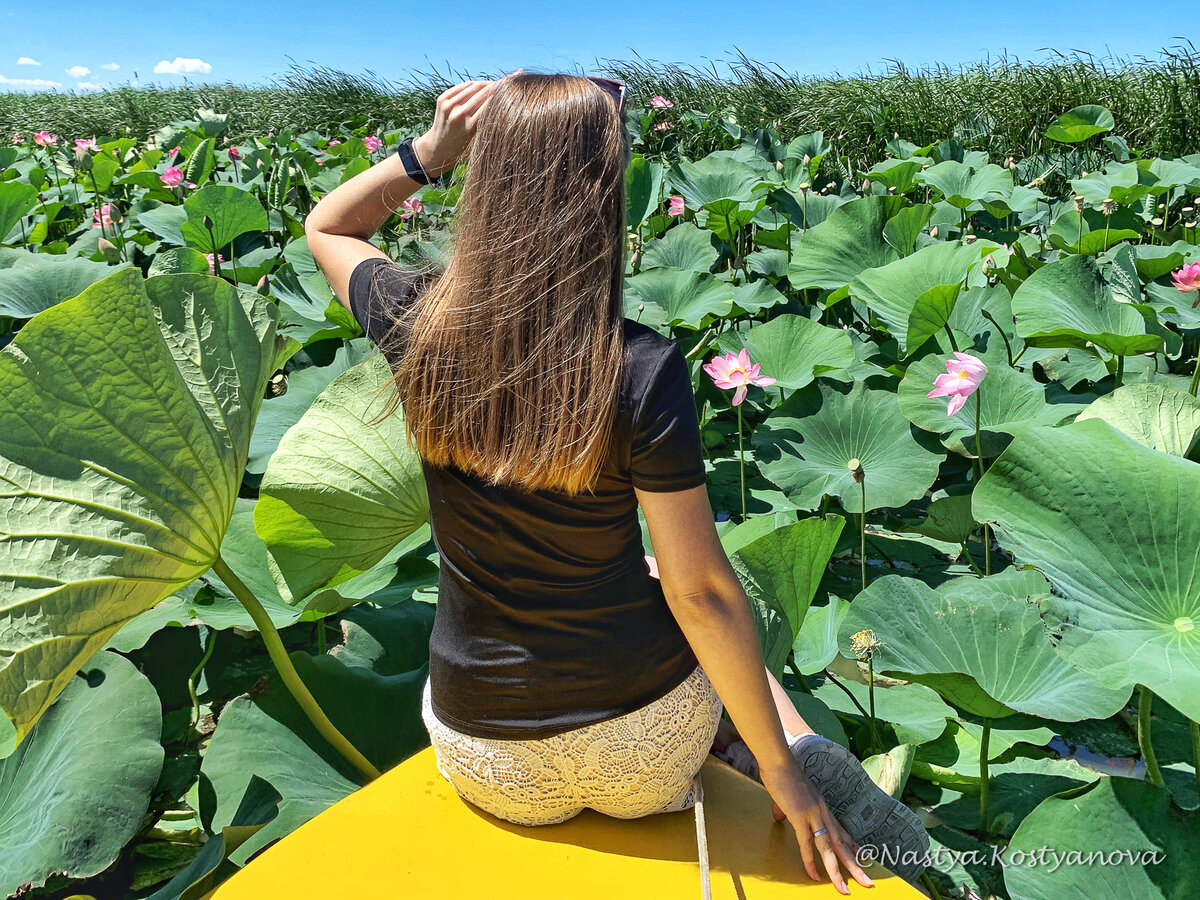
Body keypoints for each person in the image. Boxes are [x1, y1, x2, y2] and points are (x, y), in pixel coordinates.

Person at [305, 70, 924, 895]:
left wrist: (429, 152)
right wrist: (783, 776)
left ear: (486, 185)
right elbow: (704, 596)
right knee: (678, 580)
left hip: (487, 759)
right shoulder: (638, 366)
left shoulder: (414, 319)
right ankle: (802, 748)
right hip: (645, 757)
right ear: (603, 197)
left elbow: (328, 223)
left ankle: (776, 748)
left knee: (654, 578)